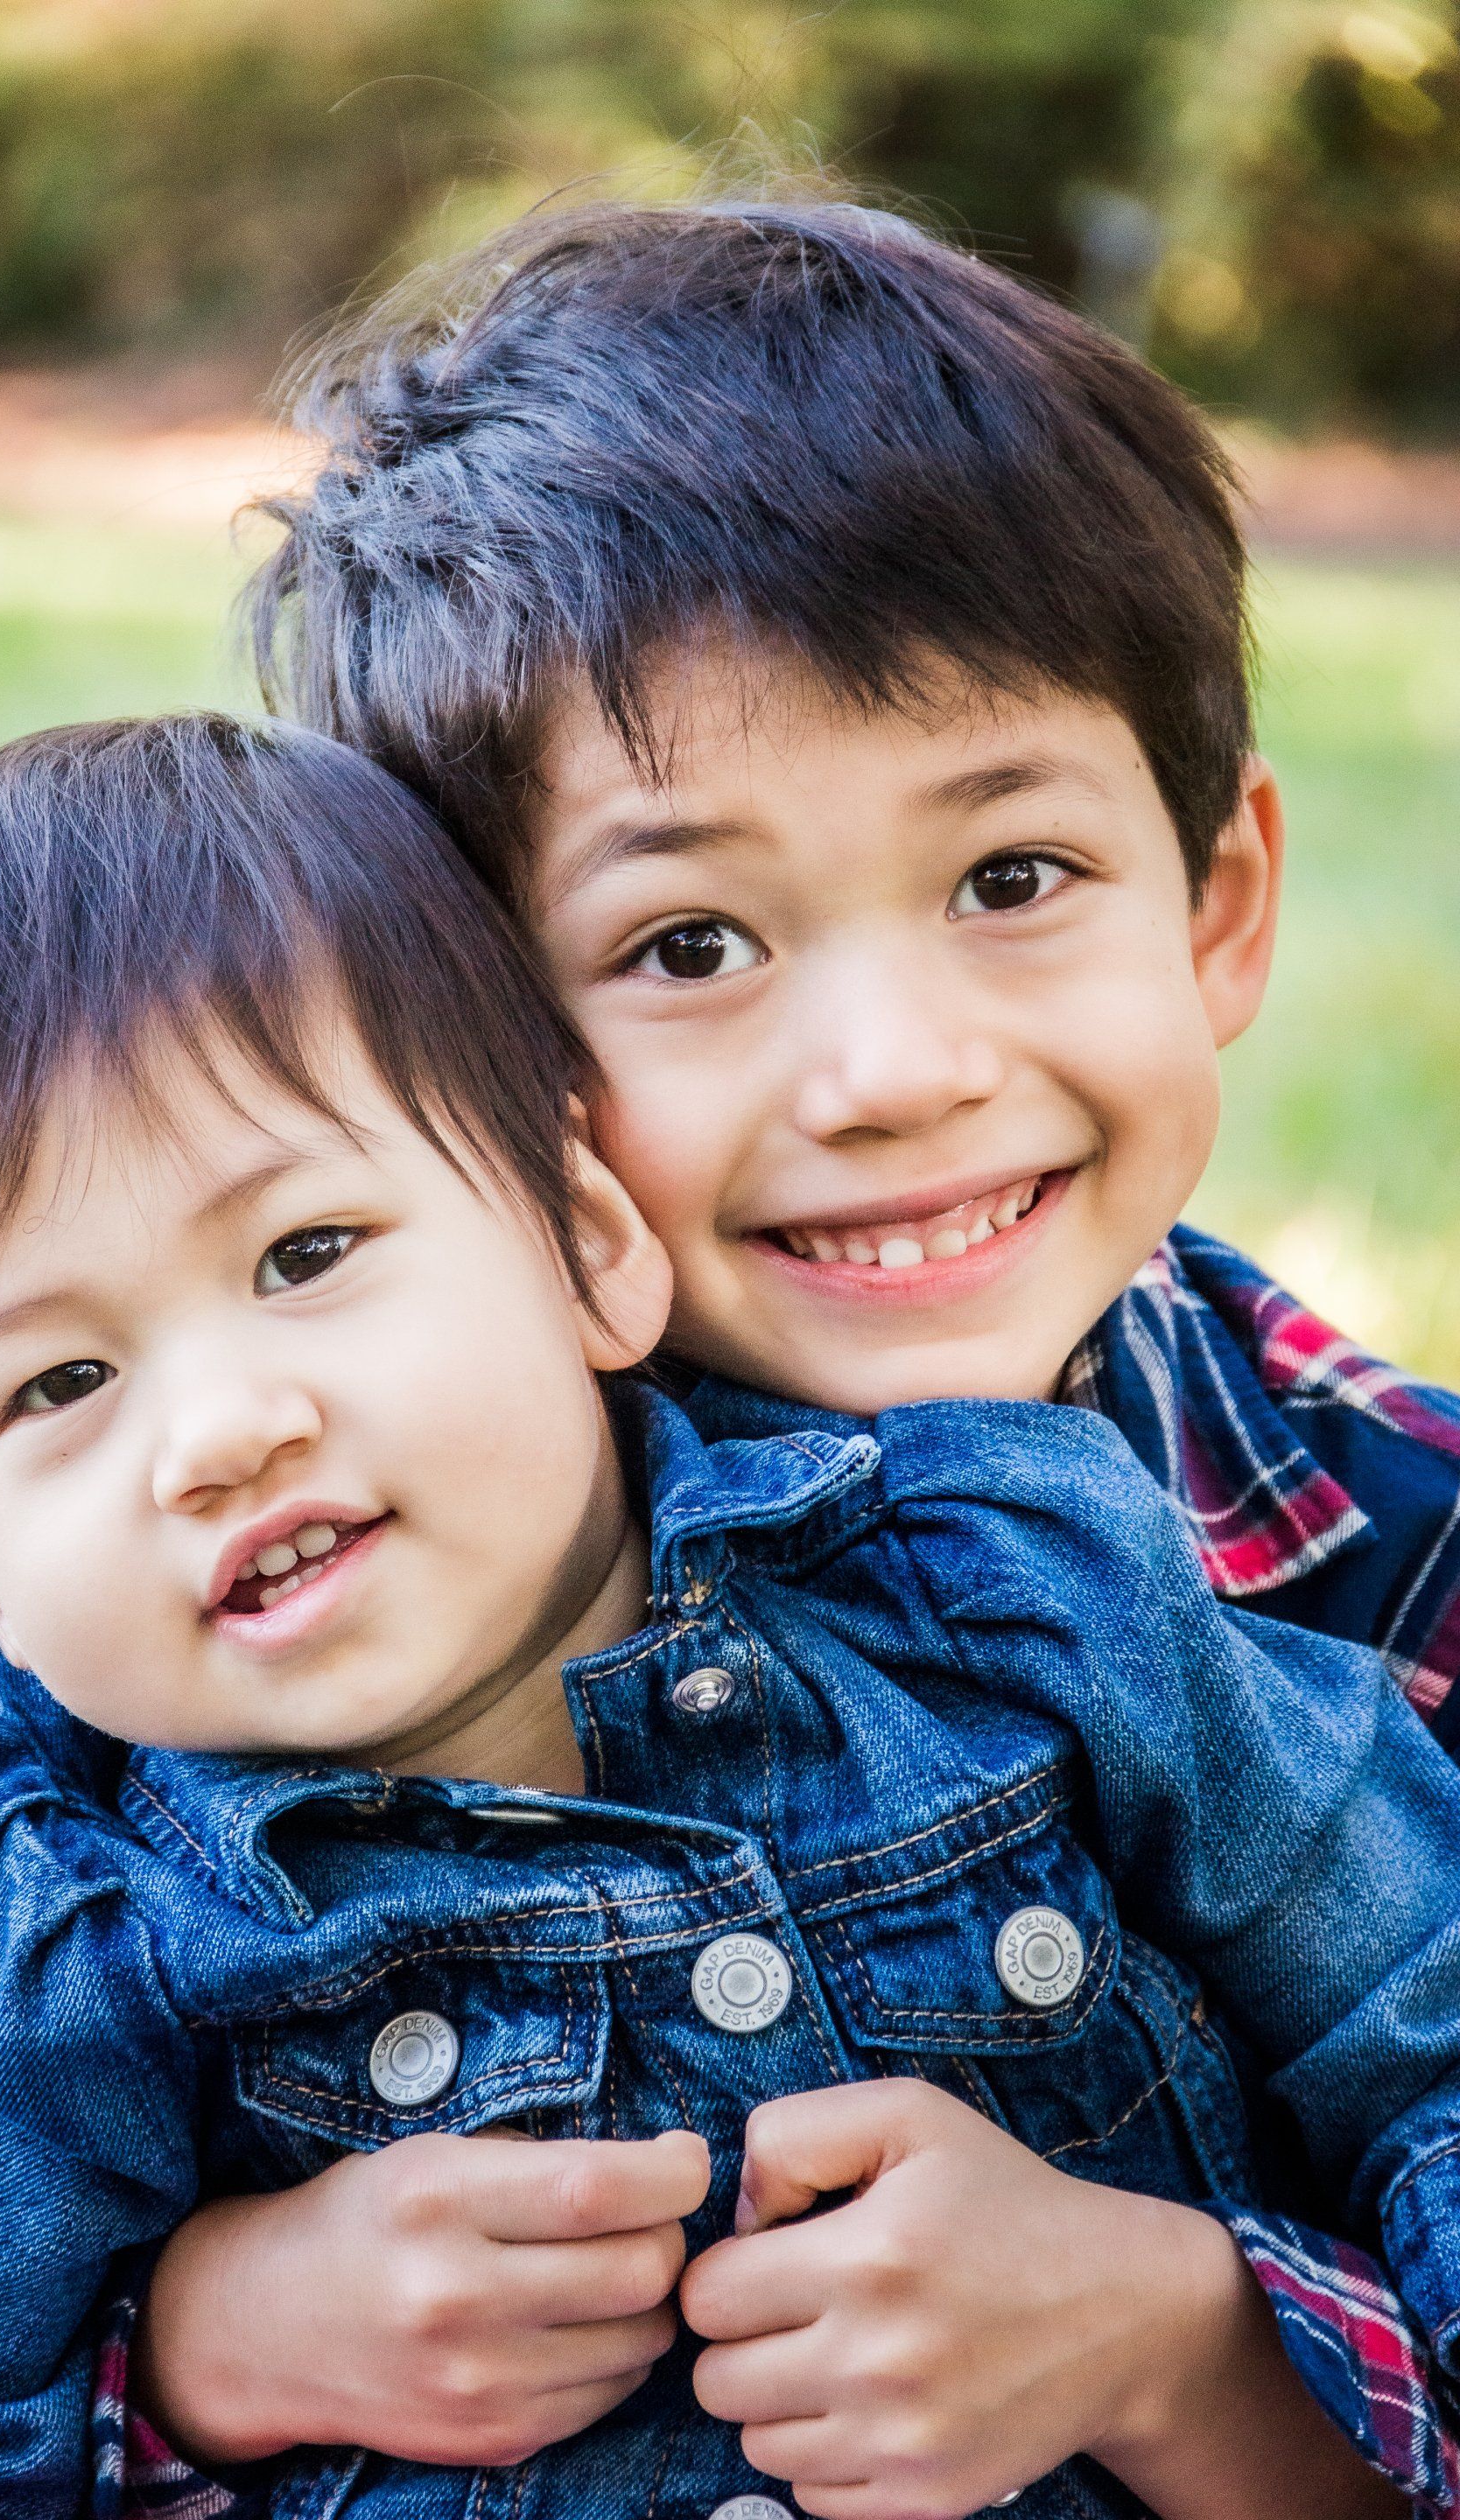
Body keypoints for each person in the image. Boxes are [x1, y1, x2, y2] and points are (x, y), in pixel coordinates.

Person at [116, 199, 1460, 2514]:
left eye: (1013, 877)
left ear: (1218, 902)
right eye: (693, 937)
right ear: (457, 1045)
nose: (890, 1067)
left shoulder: (1403, 1550)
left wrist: (1182, 2354)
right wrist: (215, 2336)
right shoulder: (279, 1548)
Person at [0, 711, 1456, 2520]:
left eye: (307, 1256)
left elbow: (1420, 2019)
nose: (217, 1434)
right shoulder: (59, 1934)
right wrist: (206, 2342)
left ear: (589, 1248)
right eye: (62, 1383)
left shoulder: (999, 1592)